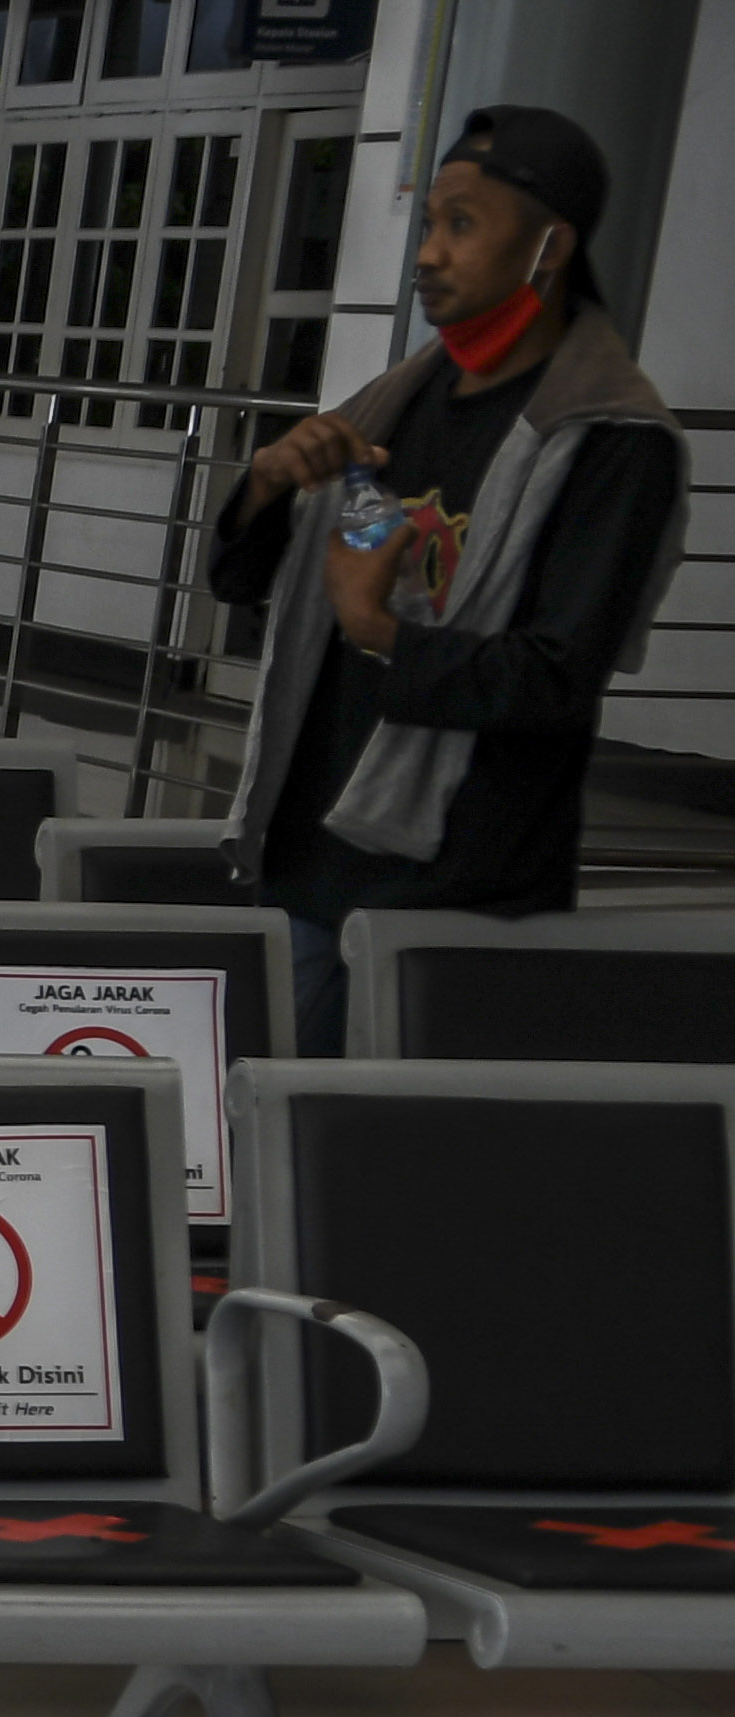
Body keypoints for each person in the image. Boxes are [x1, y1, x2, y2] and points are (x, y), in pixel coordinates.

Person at [213, 102, 688, 1058]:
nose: (427, 253)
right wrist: (266, 485)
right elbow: (257, 580)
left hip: (459, 893)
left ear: (550, 247)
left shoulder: (607, 440)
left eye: (462, 225)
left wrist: (379, 631)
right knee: (262, 1124)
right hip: (309, 861)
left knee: (394, 1143)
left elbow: (554, 679)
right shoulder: (395, 405)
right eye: (429, 222)